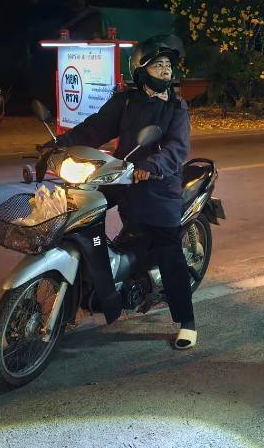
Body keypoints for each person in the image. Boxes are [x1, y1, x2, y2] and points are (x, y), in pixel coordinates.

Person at [46, 35, 197, 349]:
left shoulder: (176, 107)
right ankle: (99, 276)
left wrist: (152, 165)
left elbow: (177, 148)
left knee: (169, 253)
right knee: (83, 210)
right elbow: (95, 128)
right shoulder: (126, 101)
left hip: (159, 185)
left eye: (168, 65)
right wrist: (60, 144)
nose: (166, 71)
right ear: (141, 70)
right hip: (123, 176)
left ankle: (187, 321)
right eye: (158, 65)